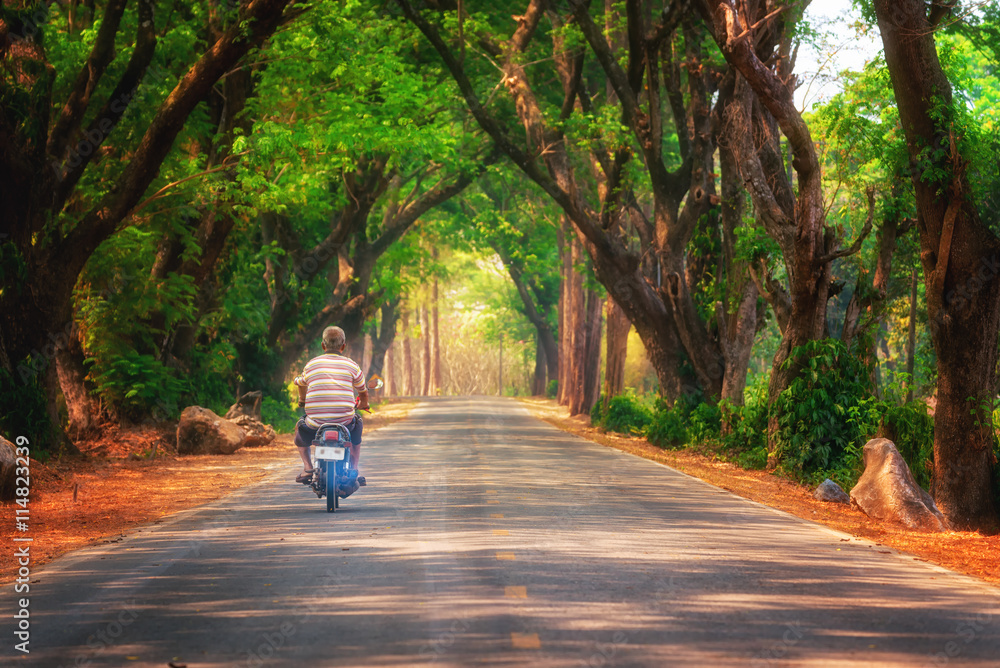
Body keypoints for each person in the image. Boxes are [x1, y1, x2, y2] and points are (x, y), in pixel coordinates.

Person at [292, 326, 370, 484]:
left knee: (299, 426)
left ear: (323, 345)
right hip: (345, 422)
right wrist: (364, 403)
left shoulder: (311, 365)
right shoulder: (352, 366)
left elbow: (299, 382)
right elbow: (363, 391)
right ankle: (354, 468)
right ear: (343, 346)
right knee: (358, 423)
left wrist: (302, 399)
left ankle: (308, 467)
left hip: (315, 423)